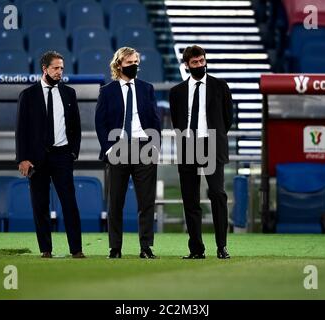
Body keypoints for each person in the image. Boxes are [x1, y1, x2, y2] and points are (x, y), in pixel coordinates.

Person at [15, 51, 84, 259]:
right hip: (36, 159)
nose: (59, 72)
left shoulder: (69, 93)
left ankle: (77, 250)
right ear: (44, 69)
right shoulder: (28, 95)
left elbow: (76, 127)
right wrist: (23, 158)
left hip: (63, 156)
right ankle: (46, 250)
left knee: (70, 204)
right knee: (40, 205)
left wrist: (73, 152)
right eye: (55, 68)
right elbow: (21, 130)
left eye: (62, 68)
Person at [95, 47, 161, 259]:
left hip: (144, 148)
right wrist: (109, 148)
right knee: (116, 201)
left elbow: (155, 120)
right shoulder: (107, 91)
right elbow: (100, 123)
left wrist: (154, 146)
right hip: (118, 149)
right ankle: (115, 248)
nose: (134, 65)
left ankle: (146, 247)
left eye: (136, 62)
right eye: (130, 62)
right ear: (119, 64)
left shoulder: (147, 89)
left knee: (146, 201)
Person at [169, 45, 233, 259]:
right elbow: (177, 121)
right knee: (190, 199)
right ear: (187, 65)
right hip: (188, 145)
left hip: (212, 143)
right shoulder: (176, 92)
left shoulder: (220, 86)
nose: (199, 65)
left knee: (217, 193)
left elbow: (228, 118)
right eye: (194, 62)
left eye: (202, 61)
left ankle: (222, 246)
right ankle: (196, 249)